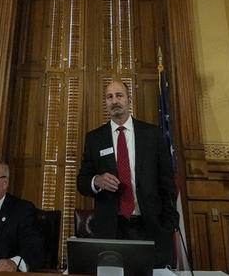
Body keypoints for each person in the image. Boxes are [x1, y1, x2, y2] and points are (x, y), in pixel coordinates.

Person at [76, 79, 179, 268]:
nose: (114, 100)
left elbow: (167, 182)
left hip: (150, 225)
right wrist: (96, 180)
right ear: (106, 103)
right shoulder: (94, 138)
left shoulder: (152, 134)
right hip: (112, 227)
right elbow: (82, 182)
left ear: (129, 99)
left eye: (119, 95)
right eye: (109, 97)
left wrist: (168, 222)